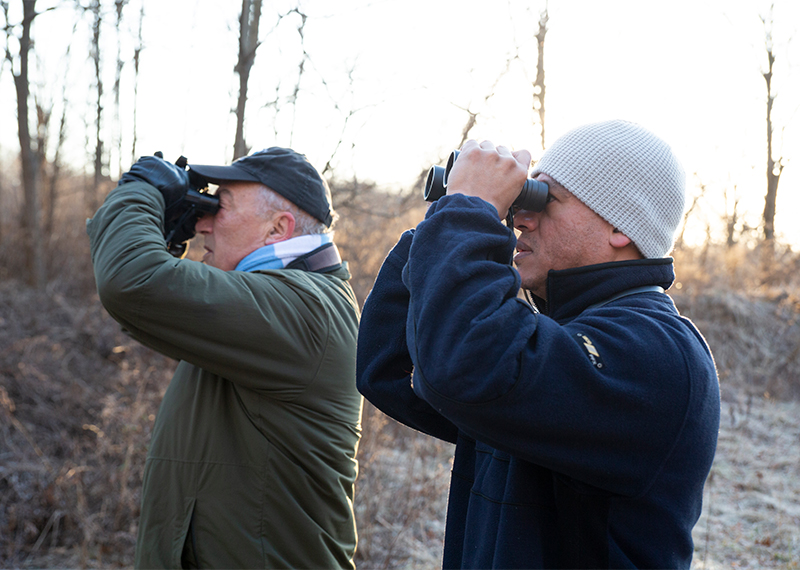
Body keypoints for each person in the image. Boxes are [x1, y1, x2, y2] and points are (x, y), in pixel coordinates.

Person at [357, 120, 720, 569]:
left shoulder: (657, 352)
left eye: (546, 201)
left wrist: (469, 212)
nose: (520, 217)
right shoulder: (552, 339)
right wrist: (446, 222)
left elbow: (461, 368)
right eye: (524, 199)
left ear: (620, 228)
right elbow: (391, 372)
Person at [87, 147, 362, 569]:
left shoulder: (304, 310)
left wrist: (141, 192)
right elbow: (148, 309)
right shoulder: (285, 300)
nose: (202, 224)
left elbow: (133, 284)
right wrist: (162, 238)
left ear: (278, 228)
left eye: (221, 207)